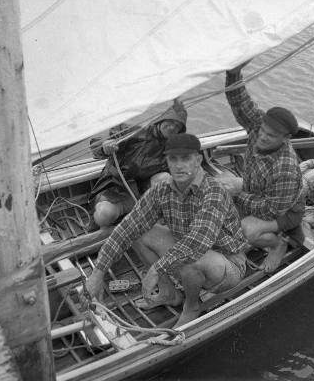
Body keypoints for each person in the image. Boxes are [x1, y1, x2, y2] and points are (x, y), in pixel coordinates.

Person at [84, 133, 247, 327]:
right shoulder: (162, 191)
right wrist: (98, 273)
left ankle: (191, 306)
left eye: (185, 158)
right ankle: (169, 292)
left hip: (227, 265)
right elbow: (128, 227)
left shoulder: (214, 192)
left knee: (192, 257)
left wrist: (155, 269)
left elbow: (197, 242)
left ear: (198, 160)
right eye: (173, 159)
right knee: (139, 231)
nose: (179, 165)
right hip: (187, 257)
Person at [218, 60, 304, 274]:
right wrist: (234, 73)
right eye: (263, 131)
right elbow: (240, 103)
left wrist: (238, 194)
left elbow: (271, 210)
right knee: (217, 187)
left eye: (271, 136)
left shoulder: (285, 168)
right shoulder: (259, 127)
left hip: (284, 212)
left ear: (285, 138)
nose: (263, 137)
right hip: (255, 191)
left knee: (246, 228)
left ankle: (277, 244)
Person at [88, 99, 188, 227]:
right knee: (104, 215)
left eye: (178, 126)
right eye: (170, 122)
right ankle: (128, 215)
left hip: (142, 194)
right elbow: (96, 148)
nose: (173, 127)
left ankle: (146, 214)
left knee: (165, 178)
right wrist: (104, 146)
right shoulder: (134, 133)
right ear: (162, 119)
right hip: (113, 189)